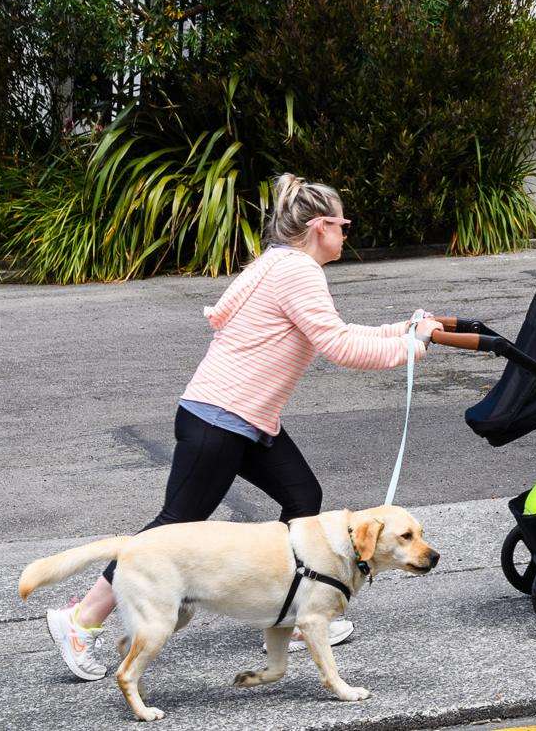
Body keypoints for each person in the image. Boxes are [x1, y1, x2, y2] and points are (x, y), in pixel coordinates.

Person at [46, 174, 439, 681]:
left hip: (249, 419)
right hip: (219, 418)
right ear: (320, 227)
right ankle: (80, 621)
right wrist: (410, 348)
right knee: (173, 527)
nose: (347, 234)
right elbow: (338, 346)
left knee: (302, 494)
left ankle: (299, 613)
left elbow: (336, 331)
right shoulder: (297, 271)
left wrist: (402, 330)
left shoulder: (280, 263)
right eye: (343, 225)